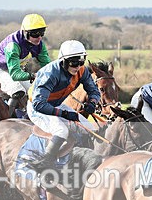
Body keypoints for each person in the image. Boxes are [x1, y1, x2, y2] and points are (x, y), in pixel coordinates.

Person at [26, 40, 100, 172]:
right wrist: (64, 114)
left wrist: (92, 103)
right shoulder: (50, 73)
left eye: (81, 62)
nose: (77, 66)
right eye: (73, 62)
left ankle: (79, 159)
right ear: (63, 61)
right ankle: (45, 162)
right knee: (61, 131)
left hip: (57, 104)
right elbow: (39, 104)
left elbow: (94, 91)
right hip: (37, 108)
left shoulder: (82, 71)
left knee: (89, 128)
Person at [0, 13, 51, 117]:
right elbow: (15, 75)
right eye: (35, 34)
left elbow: (48, 66)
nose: (39, 37)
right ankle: (6, 118)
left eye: (42, 33)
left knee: (34, 91)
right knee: (18, 91)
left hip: (13, 68)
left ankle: (29, 116)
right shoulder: (13, 45)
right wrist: (33, 76)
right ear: (26, 33)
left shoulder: (39, 44)